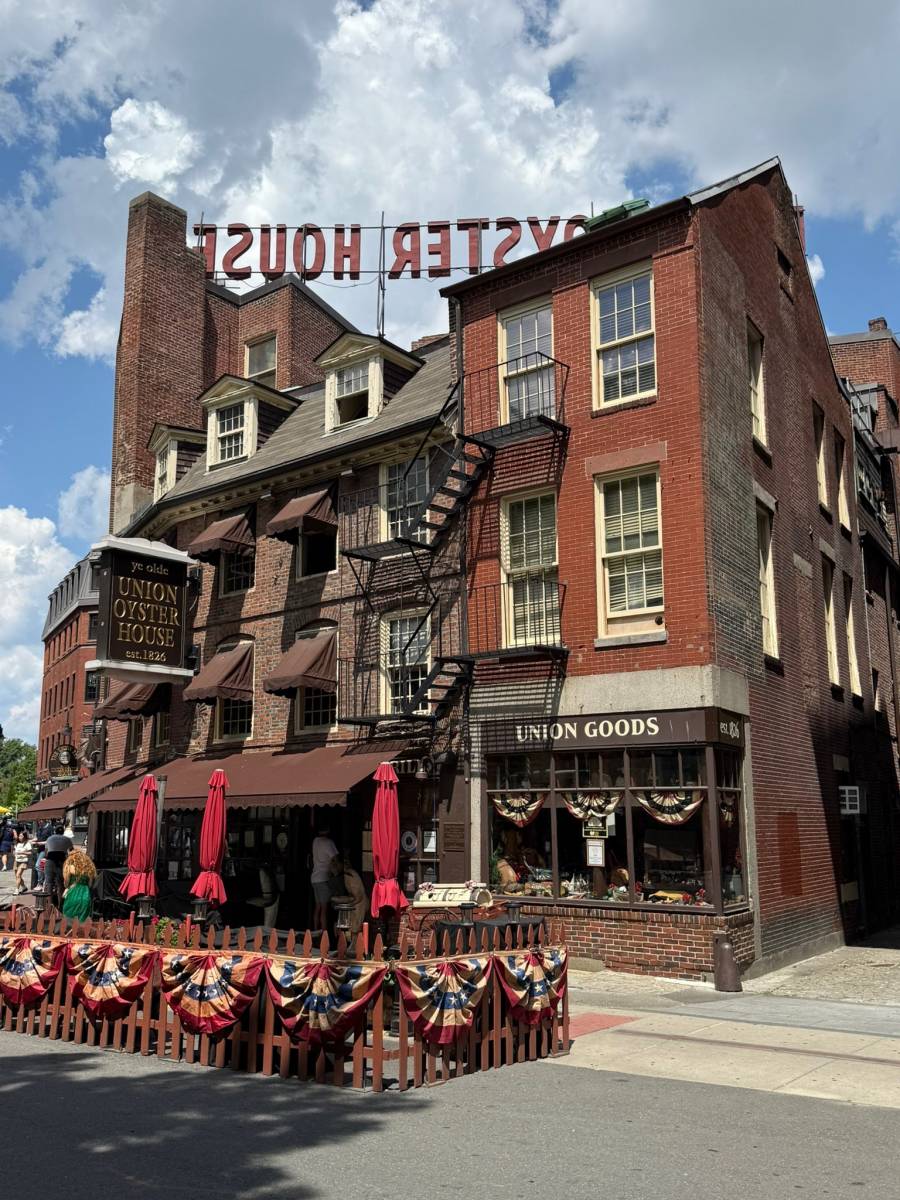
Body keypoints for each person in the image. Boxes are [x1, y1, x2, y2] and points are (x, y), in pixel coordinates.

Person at [310, 824, 338, 932]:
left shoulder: (315, 841)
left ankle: (315, 931)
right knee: (324, 909)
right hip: (323, 878)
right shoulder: (328, 842)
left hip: (314, 878)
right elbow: (335, 858)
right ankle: (323, 935)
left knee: (318, 907)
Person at [43, 825, 73, 910]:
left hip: (50, 860)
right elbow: (72, 851)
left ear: (55, 831)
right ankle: (60, 905)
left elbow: (46, 853)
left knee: (49, 883)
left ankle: (50, 905)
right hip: (61, 861)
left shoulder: (49, 838)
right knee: (60, 884)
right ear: (63, 832)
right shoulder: (67, 839)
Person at [62, 848, 97, 921]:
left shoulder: (70, 867)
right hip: (86, 895)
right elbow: (90, 884)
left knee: (68, 920)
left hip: (72, 894)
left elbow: (66, 882)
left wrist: (67, 887)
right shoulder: (89, 869)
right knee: (82, 920)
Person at [12, 831, 34, 895]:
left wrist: (22, 852)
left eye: (21, 836)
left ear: (24, 837)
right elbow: (14, 850)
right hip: (16, 861)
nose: (20, 837)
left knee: (18, 875)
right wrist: (14, 853)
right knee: (17, 876)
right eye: (19, 836)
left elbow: (30, 852)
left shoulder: (27, 843)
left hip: (23, 861)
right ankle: (24, 887)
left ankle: (16, 890)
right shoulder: (17, 843)